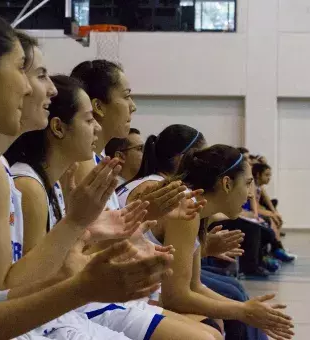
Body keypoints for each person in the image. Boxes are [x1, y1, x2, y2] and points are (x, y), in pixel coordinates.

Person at [0, 17, 172, 339]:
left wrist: (84, 237)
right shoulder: (8, 176)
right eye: (30, 72)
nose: (44, 88)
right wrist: (78, 275)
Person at [6, 74, 222, 340]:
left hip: (69, 306)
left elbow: (67, 255)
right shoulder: (32, 183)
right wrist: (94, 238)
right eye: (88, 120)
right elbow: (20, 285)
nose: (95, 128)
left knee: (211, 331)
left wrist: (122, 234)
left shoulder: (58, 176)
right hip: (63, 310)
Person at [118, 130, 294, 340]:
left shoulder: (195, 207)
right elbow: (175, 297)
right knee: (219, 325)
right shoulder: (186, 206)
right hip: (124, 298)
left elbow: (194, 286)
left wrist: (245, 309)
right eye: (247, 183)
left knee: (232, 312)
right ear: (227, 183)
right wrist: (243, 311)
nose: (250, 194)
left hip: (142, 293)